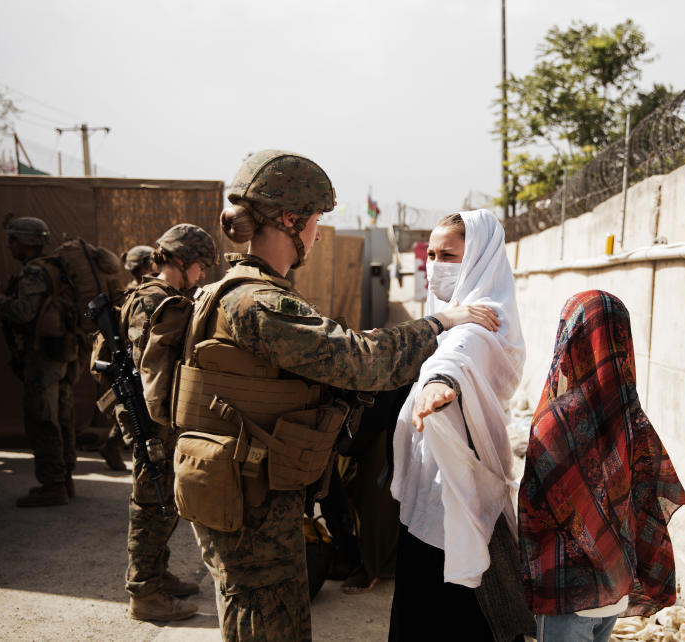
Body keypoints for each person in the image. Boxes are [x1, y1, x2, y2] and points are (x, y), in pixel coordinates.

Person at [167, 149, 499, 641]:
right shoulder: (258, 301)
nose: (318, 233)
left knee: (251, 616)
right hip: (250, 500)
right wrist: (440, 322)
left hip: (237, 485)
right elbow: (359, 361)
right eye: (316, 220)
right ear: (290, 219)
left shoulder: (232, 289)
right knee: (267, 626)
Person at [389, 210, 535, 642]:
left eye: (448, 256)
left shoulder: (483, 321)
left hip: (452, 493)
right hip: (431, 486)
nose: (435, 265)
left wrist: (438, 383)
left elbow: (459, 356)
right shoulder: (453, 315)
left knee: (448, 613)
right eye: (431, 254)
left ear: (478, 259)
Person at [517, 290, 685, 642]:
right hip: (615, 591)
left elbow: (537, 513)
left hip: (569, 597)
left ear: (572, 339)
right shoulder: (632, 418)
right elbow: (647, 504)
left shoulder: (557, 420)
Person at [113, 225, 217, 622]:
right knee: (151, 505)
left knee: (164, 503)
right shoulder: (154, 301)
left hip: (157, 419)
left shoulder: (158, 296)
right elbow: (149, 370)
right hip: (153, 423)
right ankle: (144, 593)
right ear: (179, 262)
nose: (203, 275)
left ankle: (157, 575)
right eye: (199, 266)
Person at [0, 216, 78, 507]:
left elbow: (24, 313)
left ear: (24, 242)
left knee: (42, 418)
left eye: (13, 240)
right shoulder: (57, 268)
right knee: (63, 417)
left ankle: (53, 484)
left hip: (43, 356)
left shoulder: (33, 272)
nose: (10, 246)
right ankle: (66, 477)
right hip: (64, 352)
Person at [98, 244, 157, 471]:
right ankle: (114, 446)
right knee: (134, 409)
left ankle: (112, 445)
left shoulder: (130, 291)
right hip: (136, 359)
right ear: (143, 266)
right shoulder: (142, 293)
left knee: (130, 407)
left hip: (132, 359)